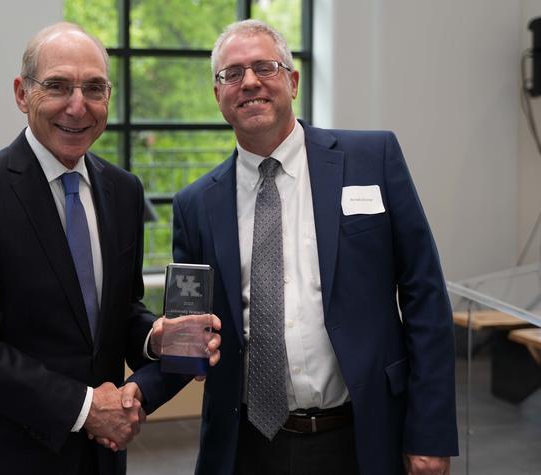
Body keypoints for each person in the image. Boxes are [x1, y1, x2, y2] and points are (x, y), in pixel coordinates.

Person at [0, 22, 218, 475]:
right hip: (4, 457)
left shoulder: (123, 191)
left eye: (94, 88)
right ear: (22, 94)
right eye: (58, 86)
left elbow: (118, 311)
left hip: (99, 460)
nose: (78, 106)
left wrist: (154, 338)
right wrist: (86, 408)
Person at [172, 19, 458, 475]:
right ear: (217, 94)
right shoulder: (195, 205)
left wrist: (430, 432)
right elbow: (186, 332)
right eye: (231, 74)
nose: (249, 82)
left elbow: (425, 296)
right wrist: (132, 391)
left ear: (292, 80)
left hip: (363, 437)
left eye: (264, 67)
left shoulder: (373, 160)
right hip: (246, 447)